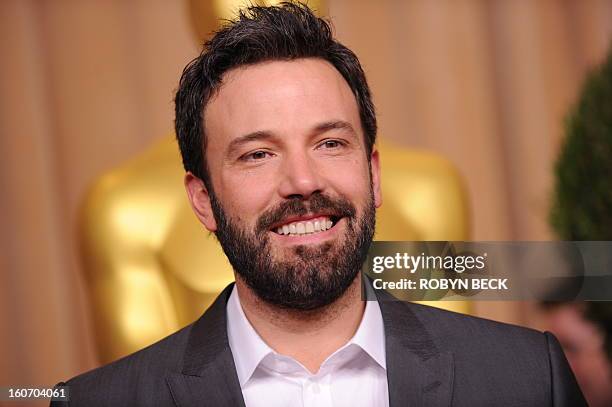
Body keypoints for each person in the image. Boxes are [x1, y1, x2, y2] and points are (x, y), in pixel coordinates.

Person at [53, 3, 585, 406]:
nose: (303, 180)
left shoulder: (529, 378)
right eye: (258, 154)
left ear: (374, 174)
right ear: (202, 200)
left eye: (330, 143)